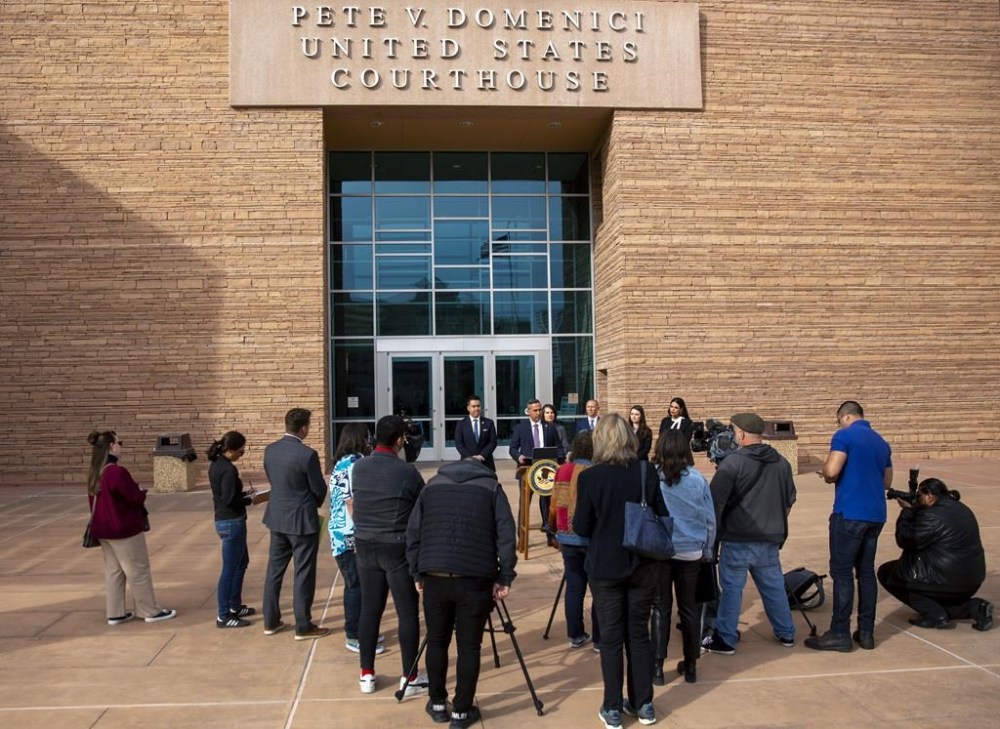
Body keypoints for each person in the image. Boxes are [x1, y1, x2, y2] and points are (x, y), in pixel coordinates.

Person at [406, 457, 517, 728]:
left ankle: (437, 702)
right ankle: (461, 711)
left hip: (436, 574)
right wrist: (505, 576)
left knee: (437, 640)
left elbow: (413, 533)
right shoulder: (492, 488)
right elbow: (506, 536)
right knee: (469, 646)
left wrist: (416, 571)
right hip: (474, 578)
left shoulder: (432, 486)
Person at [573, 414, 667, 729]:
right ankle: (644, 704)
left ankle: (613, 707)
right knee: (637, 634)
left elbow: (581, 526)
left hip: (605, 566)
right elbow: (661, 514)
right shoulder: (646, 472)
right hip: (643, 562)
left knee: (611, 637)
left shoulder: (590, 477)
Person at [705, 412, 796, 656]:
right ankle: (786, 631)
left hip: (738, 538)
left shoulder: (732, 463)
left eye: (734, 432)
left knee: (732, 589)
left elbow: (714, 504)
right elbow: (789, 501)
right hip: (770, 538)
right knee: (774, 587)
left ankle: (725, 638)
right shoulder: (782, 463)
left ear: (742, 434)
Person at [805, 400, 892, 652]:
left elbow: (832, 471)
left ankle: (839, 632)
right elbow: (887, 481)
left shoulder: (844, 436)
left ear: (844, 417)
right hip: (875, 514)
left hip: (850, 512)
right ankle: (866, 632)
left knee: (842, 573)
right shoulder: (881, 442)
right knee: (865, 572)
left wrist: (826, 473)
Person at [351, 415, 426, 697]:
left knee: (370, 611)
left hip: (365, 546)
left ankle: (366, 673)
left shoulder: (359, 467)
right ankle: (410, 676)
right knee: (407, 613)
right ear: (399, 440)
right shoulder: (406, 472)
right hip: (397, 547)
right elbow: (422, 508)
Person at [877, 478, 992, 631]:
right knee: (935, 592)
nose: (918, 500)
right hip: (972, 580)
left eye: (920, 497)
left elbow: (905, 539)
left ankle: (934, 615)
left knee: (889, 573)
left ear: (930, 496)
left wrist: (906, 512)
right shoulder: (961, 508)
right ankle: (975, 608)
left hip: (946, 580)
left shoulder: (931, 516)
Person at [86, 431, 176, 626]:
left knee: (114, 571)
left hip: (103, 530)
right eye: (120, 442)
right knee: (138, 570)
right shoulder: (116, 472)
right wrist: (141, 491)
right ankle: (149, 611)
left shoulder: (95, 471)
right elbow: (133, 497)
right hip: (123, 529)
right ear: (111, 446)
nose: (121, 446)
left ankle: (115, 613)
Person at [650, 430, 715, 685]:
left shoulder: (654, 478)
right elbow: (709, 519)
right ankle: (690, 665)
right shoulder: (697, 480)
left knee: (660, 607)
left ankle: (656, 667)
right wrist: (708, 551)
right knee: (689, 608)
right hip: (691, 550)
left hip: (661, 549)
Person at [261, 408, 329, 640]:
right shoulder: (307, 454)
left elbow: (274, 481)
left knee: (274, 571)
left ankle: (270, 621)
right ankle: (303, 625)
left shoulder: (270, 450)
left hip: (277, 518)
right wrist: (315, 502)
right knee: (303, 572)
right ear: (303, 428)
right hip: (302, 521)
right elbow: (319, 488)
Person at [328, 423, 384, 655]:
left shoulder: (341, 464)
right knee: (356, 586)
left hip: (341, 535)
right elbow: (352, 502)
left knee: (357, 584)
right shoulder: (354, 465)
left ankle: (363, 629)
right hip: (351, 535)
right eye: (367, 437)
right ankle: (354, 634)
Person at [548, 430, 600, 649]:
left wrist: (552, 530)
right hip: (591, 537)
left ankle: (575, 634)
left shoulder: (562, 470)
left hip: (566, 536)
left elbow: (553, 505)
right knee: (599, 589)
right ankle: (600, 639)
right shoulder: (595, 471)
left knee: (574, 586)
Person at [208, 431, 259, 628]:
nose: (242, 454)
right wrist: (250, 499)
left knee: (241, 562)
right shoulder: (228, 470)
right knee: (230, 568)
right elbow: (230, 500)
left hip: (225, 520)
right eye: (241, 451)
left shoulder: (217, 465)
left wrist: (245, 493)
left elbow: (225, 494)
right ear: (230, 450)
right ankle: (224, 615)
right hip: (232, 522)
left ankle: (234, 606)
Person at [509, 398, 565, 529]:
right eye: (535, 410)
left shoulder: (550, 427)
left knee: (548, 503)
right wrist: (519, 457)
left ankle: (549, 529)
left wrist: (558, 458)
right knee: (525, 503)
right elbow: (512, 448)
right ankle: (522, 535)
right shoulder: (520, 428)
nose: (538, 412)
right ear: (528, 412)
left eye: (540, 410)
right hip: (527, 470)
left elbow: (560, 448)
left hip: (546, 470)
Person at [453, 394, 498, 471]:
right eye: (474, 406)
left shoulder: (489, 423)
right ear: (468, 408)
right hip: (467, 464)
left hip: (486, 463)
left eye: (478, 406)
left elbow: (493, 442)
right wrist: (471, 458)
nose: (477, 408)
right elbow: (459, 444)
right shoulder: (461, 424)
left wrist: (482, 456)